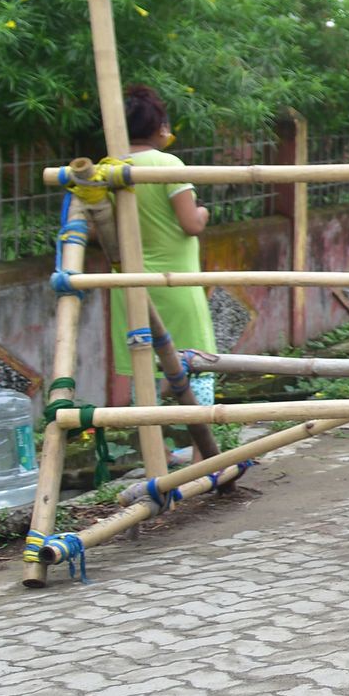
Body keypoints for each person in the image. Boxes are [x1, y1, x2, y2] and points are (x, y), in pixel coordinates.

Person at [108, 86, 219, 453]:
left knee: (146, 371)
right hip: (176, 282)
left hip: (131, 283)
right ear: (159, 127)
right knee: (196, 362)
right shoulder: (168, 165)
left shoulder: (108, 169)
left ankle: (158, 453)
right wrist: (203, 211)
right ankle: (200, 454)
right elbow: (191, 224)